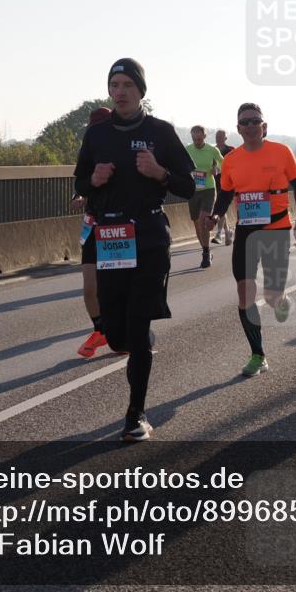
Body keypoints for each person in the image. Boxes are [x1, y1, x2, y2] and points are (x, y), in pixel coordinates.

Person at [73, 58, 195, 441]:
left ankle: (135, 415)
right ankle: (132, 339)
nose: (120, 91)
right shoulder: (97, 135)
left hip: (148, 236)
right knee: (115, 335)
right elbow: (80, 181)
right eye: (115, 84)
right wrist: (93, 180)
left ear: (141, 90)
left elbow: (189, 186)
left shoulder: (160, 132)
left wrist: (160, 173)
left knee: (138, 328)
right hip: (111, 237)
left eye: (127, 84)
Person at [205, 104, 296, 377]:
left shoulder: (281, 152)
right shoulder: (231, 160)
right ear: (238, 129)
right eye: (245, 123)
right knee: (244, 293)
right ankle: (258, 354)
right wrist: (215, 215)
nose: (250, 126)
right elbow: (226, 194)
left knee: (271, 297)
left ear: (264, 126)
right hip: (246, 231)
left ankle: (280, 299)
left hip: (276, 228)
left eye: (255, 122)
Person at [75, 106, 116, 358]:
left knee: (114, 286)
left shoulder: (122, 147)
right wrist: (80, 192)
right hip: (92, 224)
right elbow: (81, 179)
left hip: (118, 228)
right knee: (90, 287)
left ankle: (124, 329)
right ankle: (100, 329)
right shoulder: (88, 147)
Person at [185, 126, 224, 268]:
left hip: (208, 189)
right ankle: (205, 249)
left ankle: (206, 254)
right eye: (194, 139)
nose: (197, 141)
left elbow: (223, 163)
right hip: (193, 191)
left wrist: (216, 170)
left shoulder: (212, 150)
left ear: (204, 136)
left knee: (203, 220)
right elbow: (180, 164)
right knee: (197, 226)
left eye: (199, 139)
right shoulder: (187, 149)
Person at [212, 129, 235, 246]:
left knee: (221, 207)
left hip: (228, 184)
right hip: (215, 183)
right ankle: (227, 231)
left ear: (226, 138)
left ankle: (218, 234)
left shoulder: (231, 150)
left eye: (221, 136)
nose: (218, 138)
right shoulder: (212, 150)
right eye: (217, 135)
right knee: (221, 208)